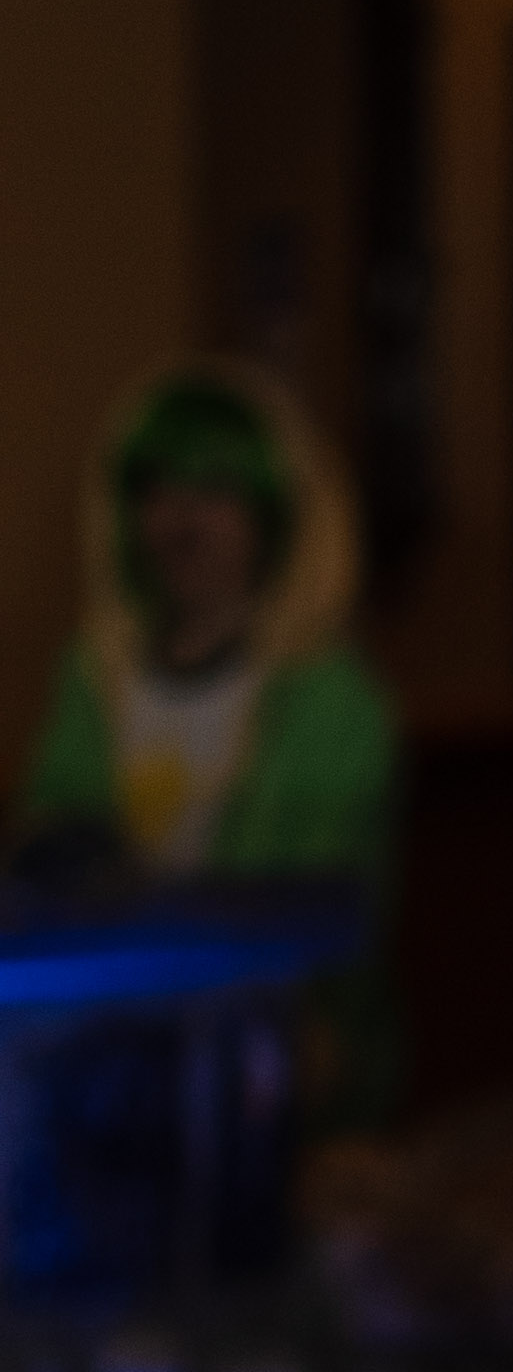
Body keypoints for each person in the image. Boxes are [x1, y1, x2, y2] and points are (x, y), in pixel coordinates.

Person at [18, 354, 402, 1116]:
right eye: (158, 489)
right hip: (107, 1073)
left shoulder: (333, 705)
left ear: (273, 512)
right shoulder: (92, 682)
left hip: (276, 1087)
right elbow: (49, 867)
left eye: (214, 490)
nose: (181, 520)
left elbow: (313, 923)